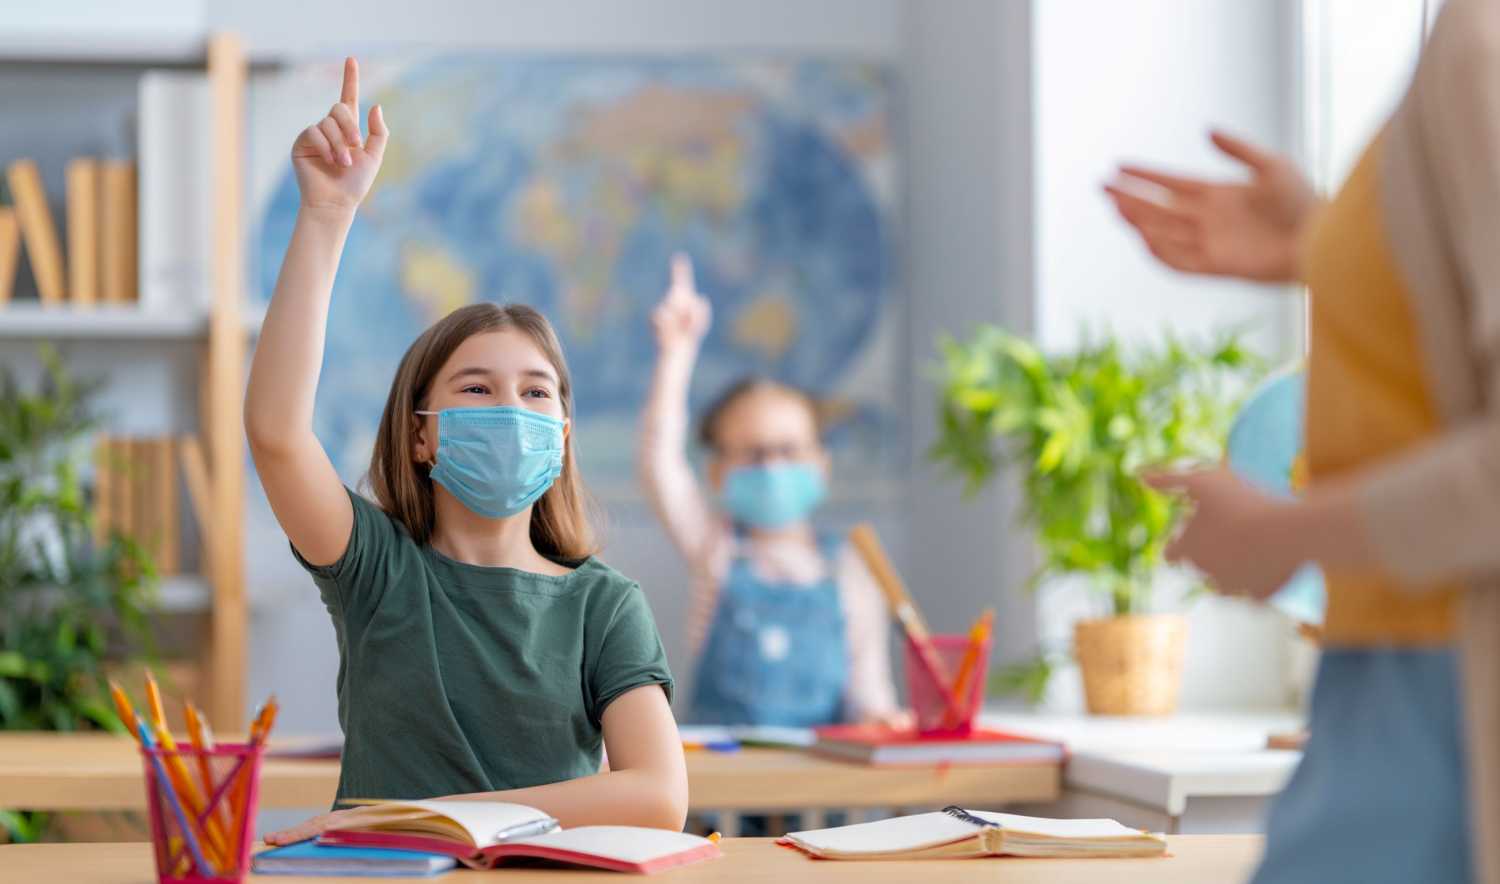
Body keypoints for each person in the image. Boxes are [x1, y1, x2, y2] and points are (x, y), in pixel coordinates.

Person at [245, 57, 686, 845]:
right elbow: (277, 434)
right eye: (477, 390)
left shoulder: (602, 604)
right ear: (421, 433)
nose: (511, 410)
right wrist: (326, 216)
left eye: (536, 392)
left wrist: (425, 820)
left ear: (563, 433)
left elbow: (657, 796)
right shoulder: (376, 568)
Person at [1106, 2, 1500, 881]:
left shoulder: (1483, 44)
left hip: (1442, 682)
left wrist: (1283, 533)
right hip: (1398, 668)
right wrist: (1329, 244)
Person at [639, 255, 903, 728]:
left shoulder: (849, 570)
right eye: (755, 453)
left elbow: (870, 694)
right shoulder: (714, 550)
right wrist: (676, 355)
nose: (774, 466)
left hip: (820, 792)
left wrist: (885, 721)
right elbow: (661, 463)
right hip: (723, 788)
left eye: (789, 450)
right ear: (718, 473)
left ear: (821, 465)